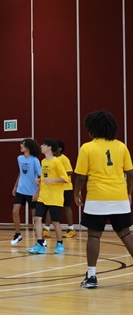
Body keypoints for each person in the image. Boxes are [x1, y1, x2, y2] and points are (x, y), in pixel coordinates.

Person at [73, 110, 133, 289]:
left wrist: (76, 194)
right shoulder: (121, 146)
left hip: (97, 197)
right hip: (119, 197)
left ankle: (91, 277)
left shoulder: (87, 147)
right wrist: (128, 193)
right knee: (126, 233)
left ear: (92, 128)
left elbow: (81, 177)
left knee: (94, 235)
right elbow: (130, 173)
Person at [27, 139, 68, 254]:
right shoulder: (43, 161)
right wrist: (38, 183)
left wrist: (53, 180)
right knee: (37, 218)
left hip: (54, 197)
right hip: (43, 196)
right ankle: (40, 244)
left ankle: (60, 244)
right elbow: (45, 177)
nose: (41, 146)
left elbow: (65, 178)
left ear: (49, 148)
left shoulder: (56, 162)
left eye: (44, 145)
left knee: (55, 222)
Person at [10, 139, 42, 246]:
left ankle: (40, 239)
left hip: (32, 191)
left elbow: (40, 176)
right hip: (21, 190)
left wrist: (37, 191)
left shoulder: (35, 160)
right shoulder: (19, 158)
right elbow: (21, 173)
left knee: (35, 216)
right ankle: (18, 234)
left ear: (28, 147)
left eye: (23, 145)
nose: (20, 146)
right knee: (15, 210)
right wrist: (15, 186)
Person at [42, 140, 77, 238]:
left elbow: (70, 172)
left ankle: (71, 228)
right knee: (50, 206)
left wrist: (58, 175)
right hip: (54, 188)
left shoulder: (63, 159)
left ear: (60, 149)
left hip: (65, 187)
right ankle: (47, 229)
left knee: (66, 207)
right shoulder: (48, 160)